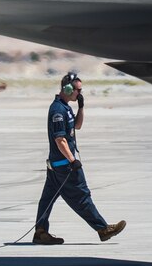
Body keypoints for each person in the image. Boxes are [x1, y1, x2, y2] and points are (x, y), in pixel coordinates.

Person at [33, 72, 126, 244]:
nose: (79, 93)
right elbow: (60, 139)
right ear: (67, 88)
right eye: (77, 90)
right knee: (81, 196)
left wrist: (81, 108)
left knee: (47, 199)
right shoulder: (58, 110)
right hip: (64, 165)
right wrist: (72, 160)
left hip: (56, 165)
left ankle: (40, 231)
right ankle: (102, 229)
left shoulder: (65, 107)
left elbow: (77, 126)